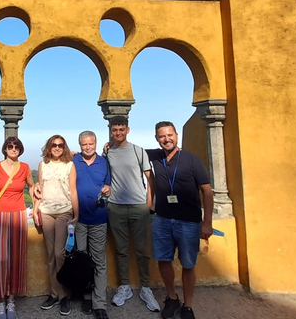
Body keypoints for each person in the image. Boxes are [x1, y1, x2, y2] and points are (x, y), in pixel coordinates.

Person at [150, 122, 213, 319]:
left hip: (189, 222)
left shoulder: (191, 159)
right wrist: (108, 146)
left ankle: (188, 305)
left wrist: (207, 222)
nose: (166, 139)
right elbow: (129, 149)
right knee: (164, 260)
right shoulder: (155, 157)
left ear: (176, 135)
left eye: (169, 135)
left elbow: (207, 192)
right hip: (162, 220)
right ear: (157, 139)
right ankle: (172, 298)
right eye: (162, 136)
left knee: (188, 264)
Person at [103, 116, 160, 311]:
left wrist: (149, 202)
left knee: (142, 250)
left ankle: (145, 288)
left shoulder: (138, 151)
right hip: (116, 206)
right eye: (115, 130)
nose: (118, 133)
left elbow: (150, 178)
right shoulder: (108, 152)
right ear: (111, 131)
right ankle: (125, 286)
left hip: (138, 206)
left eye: (121, 129)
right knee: (121, 250)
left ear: (127, 130)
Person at [33, 135, 79, 315]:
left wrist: (76, 214)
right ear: (49, 147)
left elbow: (73, 191)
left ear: (64, 147)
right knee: (51, 255)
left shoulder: (69, 165)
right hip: (46, 211)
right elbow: (40, 189)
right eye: (54, 145)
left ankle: (63, 295)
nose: (57, 148)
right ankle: (54, 293)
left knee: (60, 254)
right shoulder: (43, 165)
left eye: (60, 145)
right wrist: (36, 209)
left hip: (64, 211)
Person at [0, 136, 36, 319]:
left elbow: (32, 187)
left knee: (17, 258)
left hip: (18, 214)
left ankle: (11, 300)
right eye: (10, 146)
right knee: (1, 258)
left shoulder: (24, 167)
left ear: (20, 149)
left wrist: (36, 207)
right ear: (5, 148)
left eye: (16, 146)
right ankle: (0, 301)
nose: (13, 149)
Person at [72, 130, 111, 319]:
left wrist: (108, 189)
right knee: (82, 260)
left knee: (99, 261)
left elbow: (109, 185)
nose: (88, 147)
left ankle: (99, 303)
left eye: (90, 144)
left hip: (99, 218)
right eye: (84, 144)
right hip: (78, 219)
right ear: (80, 145)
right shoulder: (74, 161)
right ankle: (86, 296)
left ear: (96, 143)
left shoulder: (104, 162)